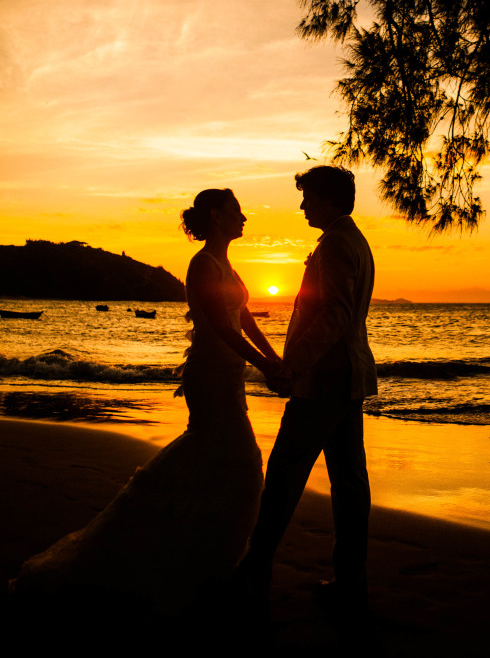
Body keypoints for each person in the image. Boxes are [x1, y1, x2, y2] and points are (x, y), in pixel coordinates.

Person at [11, 188, 279, 616]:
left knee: (218, 463)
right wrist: (265, 367)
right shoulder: (201, 265)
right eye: (235, 211)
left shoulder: (227, 265)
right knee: (244, 466)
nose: (244, 217)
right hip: (209, 377)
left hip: (231, 377)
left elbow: (244, 319)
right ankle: (196, 563)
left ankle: (198, 559)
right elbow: (220, 329)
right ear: (215, 216)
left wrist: (274, 357)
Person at [239, 165, 376, 614]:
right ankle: (350, 580)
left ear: (331, 200)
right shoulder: (353, 239)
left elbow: (334, 315)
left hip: (324, 382)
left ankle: (254, 572)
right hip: (347, 378)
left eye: (309, 197)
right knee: (349, 482)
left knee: (284, 476)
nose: (303, 206)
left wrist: (291, 366)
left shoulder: (336, 243)